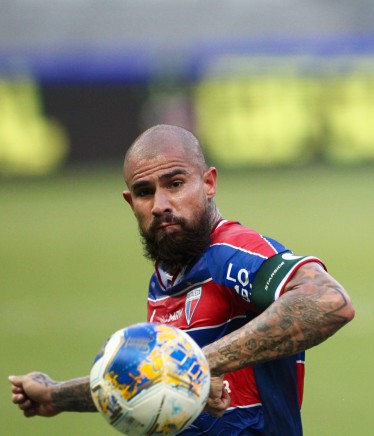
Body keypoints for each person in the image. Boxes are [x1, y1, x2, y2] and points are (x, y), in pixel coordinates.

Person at [9, 124, 355, 435]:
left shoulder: (230, 251)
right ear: (131, 203)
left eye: (175, 184)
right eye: (145, 192)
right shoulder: (165, 275)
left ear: (208, 183)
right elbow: (151, 375)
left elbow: (328, 302)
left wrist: (197, 366)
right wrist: (55, 396)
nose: (160, 204)